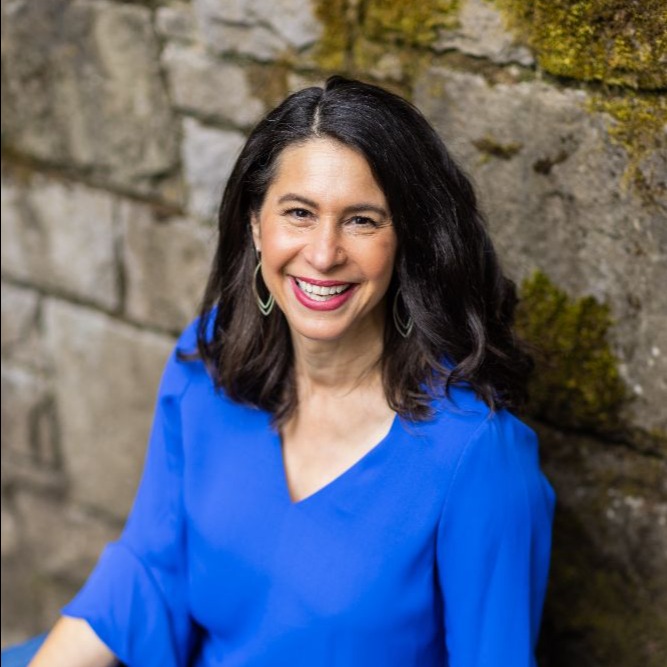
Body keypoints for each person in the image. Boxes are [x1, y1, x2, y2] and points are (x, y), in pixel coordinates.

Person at [22, 75, 555, 667]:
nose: (323, 254)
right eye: (299, 213)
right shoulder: (211, 359)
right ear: (256, 223)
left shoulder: (477, 453)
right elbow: (148, 570)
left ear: (408, 240)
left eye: (362, 220)